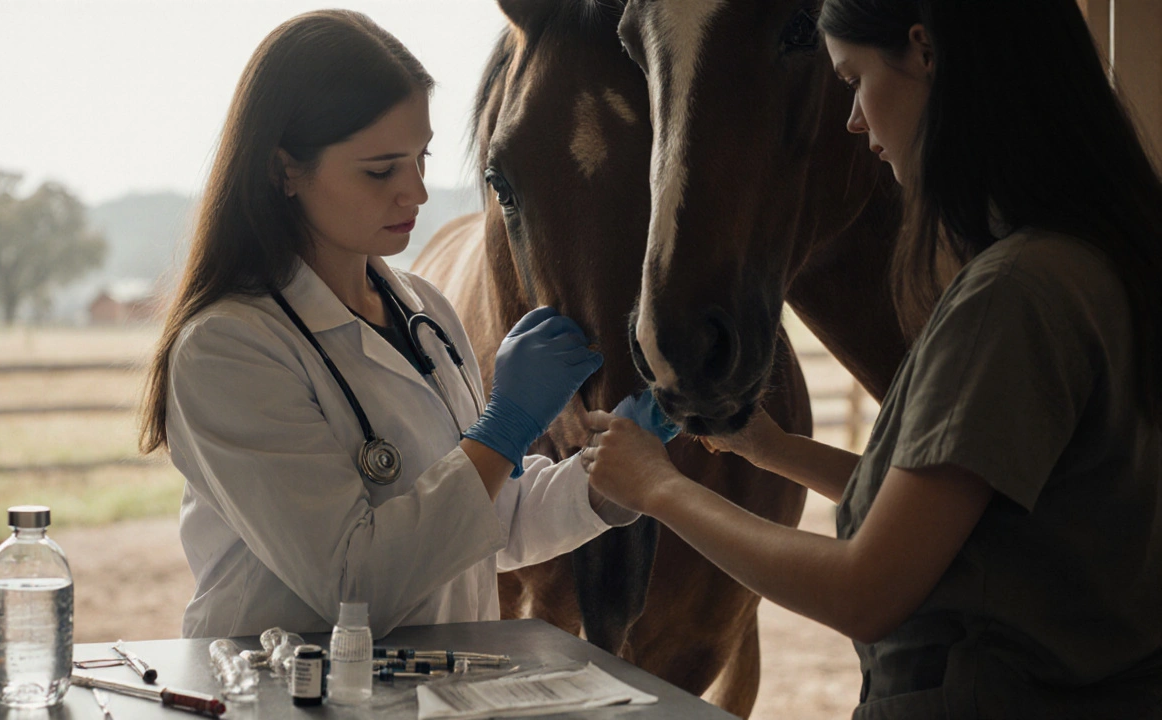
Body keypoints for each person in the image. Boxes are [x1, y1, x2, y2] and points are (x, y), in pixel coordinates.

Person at [583, 0, 1162, 716]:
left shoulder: (1011, 294)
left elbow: (865, 591)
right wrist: (771, 449)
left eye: (853, 79)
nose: (854, 120)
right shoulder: (1087, 265)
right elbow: (961, 516)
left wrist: (657, 490)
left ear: (924, 54)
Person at [138, 10, 647, 640]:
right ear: (284, 169)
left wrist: (615, 478)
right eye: (381, 170)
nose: (417, 193)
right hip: (285, 697)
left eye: (421, 158)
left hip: (427, 690)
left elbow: (490, 522)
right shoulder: (227, 349)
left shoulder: (424, 312)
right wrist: (506, 428)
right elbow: (355, 586)